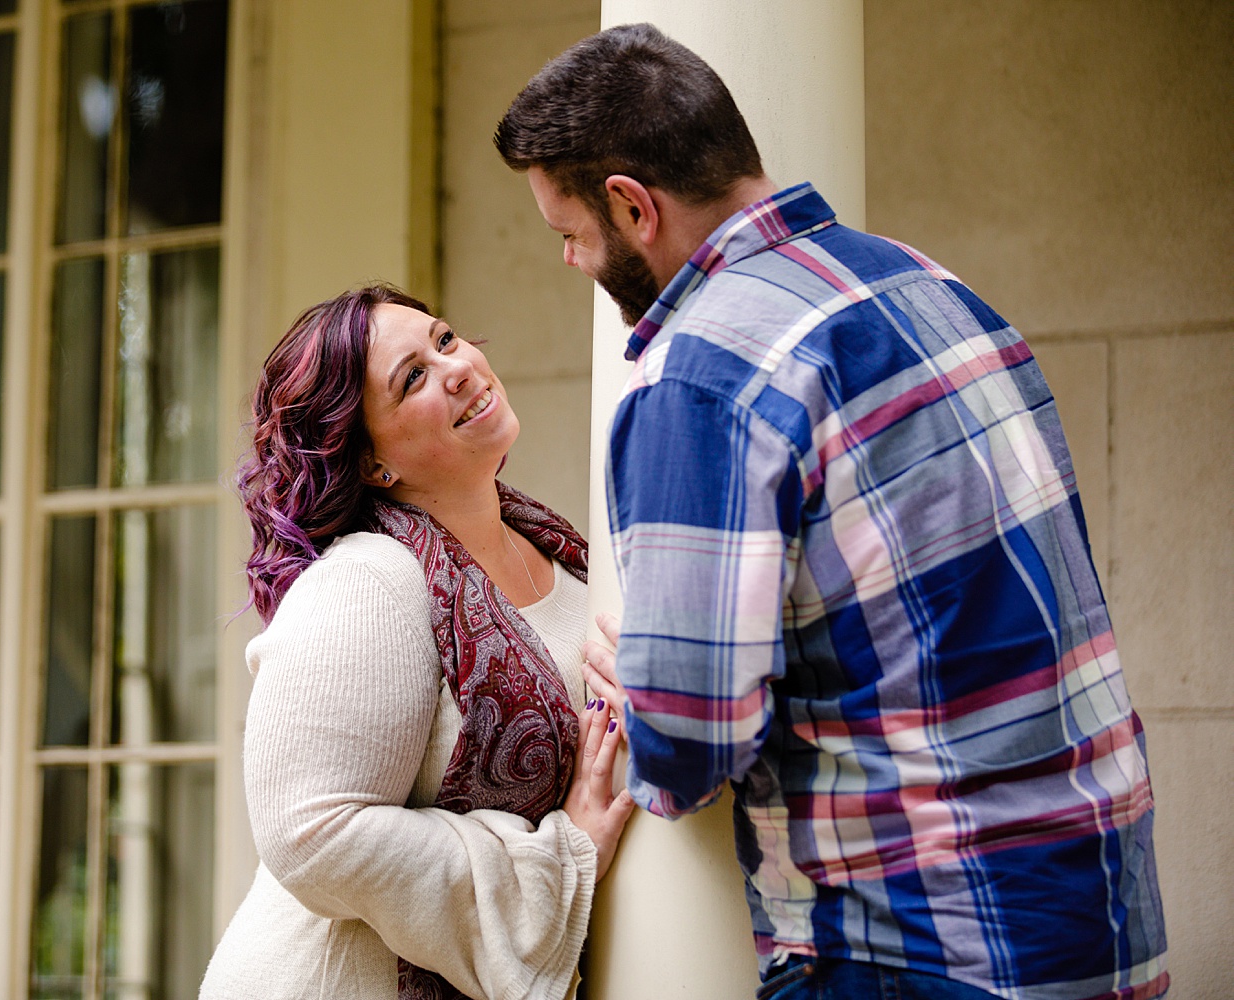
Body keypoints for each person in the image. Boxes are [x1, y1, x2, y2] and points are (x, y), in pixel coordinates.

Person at [494, 22, 1167, 1000]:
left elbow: (689, 748)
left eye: (570, 233)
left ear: (633, 207)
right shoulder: (927, 286)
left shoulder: (702, 377)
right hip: (1098, 915)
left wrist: (641, 672)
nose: (570, 262)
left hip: (922, 951)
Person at [199, 283, 635, 1000]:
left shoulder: (567, 559)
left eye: (444, 340)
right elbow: (309, 830)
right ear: (374, 464)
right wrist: (559, 859)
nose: (457, 366)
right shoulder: (368, 581)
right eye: (414, 379)